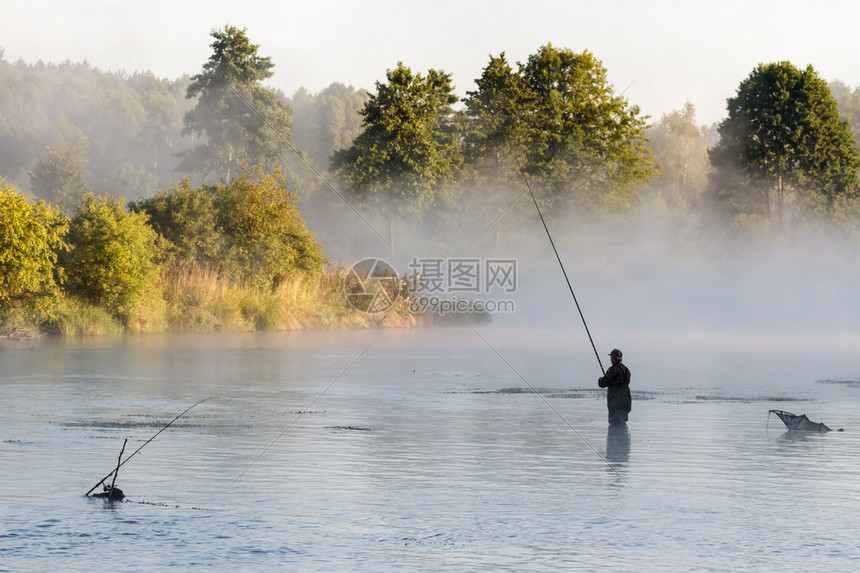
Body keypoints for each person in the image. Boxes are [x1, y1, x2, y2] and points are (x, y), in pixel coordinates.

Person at [598, 348, 631, 426]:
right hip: (626, 399)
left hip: (615, 402)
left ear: (613, 358)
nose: (610, 359)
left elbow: (602, 383)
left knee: (614, 424)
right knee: (623, 423)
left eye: (611, 357)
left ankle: (615, 438)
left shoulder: (613, 370)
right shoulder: (626, 370)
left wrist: (600, 380)